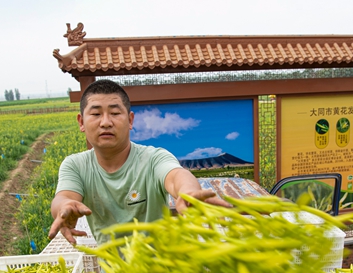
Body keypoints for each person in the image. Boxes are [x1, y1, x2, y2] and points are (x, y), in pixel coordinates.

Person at [48, 79, 229, 246]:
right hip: (112, 268)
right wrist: (63, 208)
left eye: (115, 113)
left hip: (162, 265)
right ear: (81, 122)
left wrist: (188, 192)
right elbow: (64, 198)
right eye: (96, 113)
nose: (106, 122)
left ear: (130, 120)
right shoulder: (75, 165)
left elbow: (176, 176)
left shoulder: (154, 158)